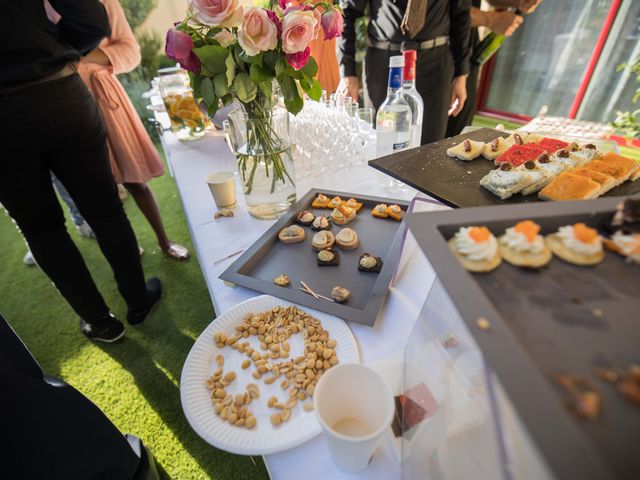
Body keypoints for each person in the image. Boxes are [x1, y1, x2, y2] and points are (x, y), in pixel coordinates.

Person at [1, 0, 161, 342]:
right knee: (105, 209)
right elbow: (90, 19)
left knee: (42, 229)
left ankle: (100, 321)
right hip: (58, 92)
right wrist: (53, 49)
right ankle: (138, 302)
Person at [46, 0, 190, 260]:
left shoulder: (103, 2)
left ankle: (165, 241)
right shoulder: (29, 9)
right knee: (94, 187)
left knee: (135, 178)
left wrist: (74, 55)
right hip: (62, 104)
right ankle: (125, 248)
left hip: (105, 97)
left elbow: (130, 51)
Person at [338, 0, 471, 144]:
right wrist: (348, 73)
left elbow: (461, 15)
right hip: (384, 66)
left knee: (430, 147)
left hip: (435, 67)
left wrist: (461, 76)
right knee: (381, 145)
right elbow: (346, 12)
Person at [446, 0, 544, 137]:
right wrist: (491, 19)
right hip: (438, 54)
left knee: (457, 137)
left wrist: (519, 3)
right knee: (430, 142)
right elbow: (441, 12)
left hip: (466, 56)